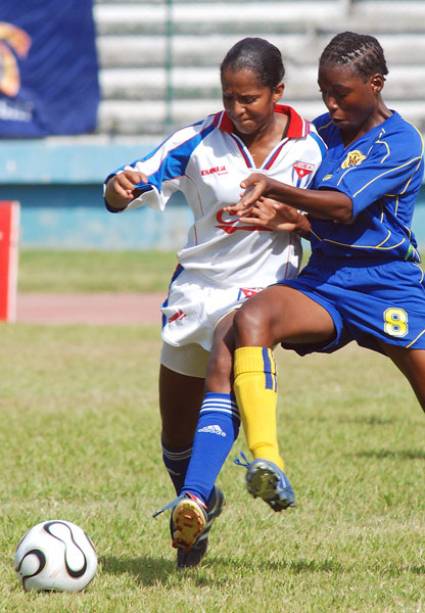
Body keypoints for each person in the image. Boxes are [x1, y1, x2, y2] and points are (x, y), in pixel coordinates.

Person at [104, 37, 325, 567]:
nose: (237, 109)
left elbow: (342, 217)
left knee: (233, 341)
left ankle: (195, 498)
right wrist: (119, 188)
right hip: (195, 290)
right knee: (175, 438)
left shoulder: (314, 146)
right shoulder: (198, 140)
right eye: (228, 97)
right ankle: (199, 500)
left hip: (265, 288)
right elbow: (123, 189)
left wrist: (293, 220)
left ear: (277, 92)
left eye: (248, 98)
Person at [223, 31, 425, 513]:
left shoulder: (402, 141)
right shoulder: (321, 134)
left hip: (388, 284)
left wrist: (278, 192)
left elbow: (344, 205)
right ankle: (267, 460)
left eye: (342, 93)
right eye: (323, 93)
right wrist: (292, 221)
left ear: (375, 84)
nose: (331, 104)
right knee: (252, 320)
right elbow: (322, 218)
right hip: (327, 280)